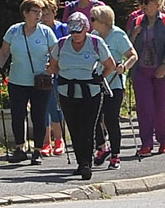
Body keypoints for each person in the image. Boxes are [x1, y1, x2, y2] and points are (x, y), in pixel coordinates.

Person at [46, 12, 114, 181]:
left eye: (79, 31)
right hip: (67, 92)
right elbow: (53, 66)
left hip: (91, 92)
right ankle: (80, 162)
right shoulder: (62, 44)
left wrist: (99, 78)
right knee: (74, 128)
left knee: (87, 127)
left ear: (86, 29)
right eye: (73, 31)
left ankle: (86, 163)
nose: (76, 34)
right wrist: (62, 75)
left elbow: (110, 65)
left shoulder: (96, 43)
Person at [0, 0, 55, 163]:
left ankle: (38, 150)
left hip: (41, 81)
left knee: (39, 115)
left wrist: (52, 66)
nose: (39, 15)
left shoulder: (46, 32)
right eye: (35, 11)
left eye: (40, 12)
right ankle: (20, 148)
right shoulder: (14, 31)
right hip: (17, 80)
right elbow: (4, 52)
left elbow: (55, 53)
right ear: (25, 13)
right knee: (18, 114)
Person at [129, 0, 165, 156]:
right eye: (141, 2)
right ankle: (146, 143)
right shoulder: (136, 22)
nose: (143, 5)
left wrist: (164, 65)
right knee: (144, 108)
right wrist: (134, 36)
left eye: (146, 2)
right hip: (141, 71)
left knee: (161, 108)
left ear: (157, 4)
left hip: (162, 71)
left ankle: (163, 140)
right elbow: (128, 48)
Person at [90, 5, 132, 171]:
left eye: (93, 19)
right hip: (97, 82)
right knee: (94, 117)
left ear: (104, 21)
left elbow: (133, 55)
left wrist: (124, 66)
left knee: (111, 119)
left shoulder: (118, 35)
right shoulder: (94, 36)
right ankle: (102, 146)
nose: (91, 22)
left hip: (114, 83)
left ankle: (115, 154)